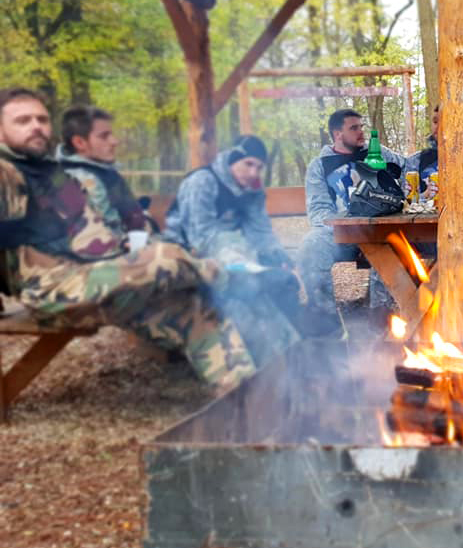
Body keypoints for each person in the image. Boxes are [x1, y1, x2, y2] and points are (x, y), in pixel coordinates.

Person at [0, 88, 255, 390]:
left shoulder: (52, 173)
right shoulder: (6, 172)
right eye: (22, 120)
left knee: (193, 305)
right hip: (52, 292)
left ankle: (244, 398)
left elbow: (92, 235)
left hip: (93, 281)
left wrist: (125, 247)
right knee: (165, 259)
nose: (36, 126)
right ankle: (227, 277)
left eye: (41, 119)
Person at [165, 134, 301, 364]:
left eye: (259, 167)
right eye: (248, 164)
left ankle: (289, 357)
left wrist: (274, 254)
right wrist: (246, 265)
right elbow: (201, 237)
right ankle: (253, 364)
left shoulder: (253, 189)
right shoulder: (202, 182)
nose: (253, 173)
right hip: (185, 257)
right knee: (244, 295)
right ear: (231, 160)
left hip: (231, 260)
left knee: (269, 289)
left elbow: (260, 232)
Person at [298, 109, 407, 335]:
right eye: (354, 128)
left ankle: (381, 324)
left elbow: (407, 168)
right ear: (337, 133)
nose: (361, 132)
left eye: (361, 127)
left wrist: (408, 193)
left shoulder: (377, 153)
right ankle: (328, 327)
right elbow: (318, 209)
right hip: (342, 234)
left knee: (386, 247)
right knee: (311, 245)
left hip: (381, 228)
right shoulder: (320, 165)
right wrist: (346, 223)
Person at [56, 105, 148, 238]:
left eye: (111, 134)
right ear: (80, 142)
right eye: (104, 136)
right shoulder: (83, 179)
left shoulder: (102, 172)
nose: (114, 141)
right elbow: (106, 232)